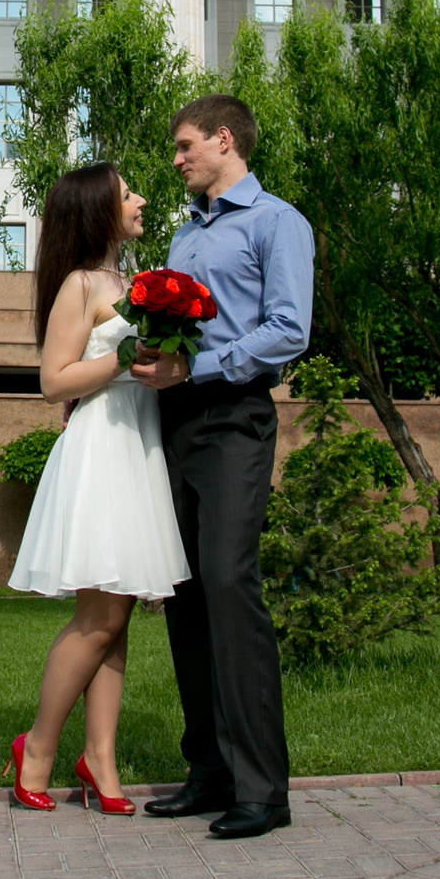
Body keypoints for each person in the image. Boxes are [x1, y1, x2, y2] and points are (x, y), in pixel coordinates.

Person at [128, 94, 314, 840]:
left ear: (224, 140)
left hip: (235, 418)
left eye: (184, 146)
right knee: (186, 594)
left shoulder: (278, 222)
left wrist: (199, 373)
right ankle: (208, 772)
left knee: (231, 587)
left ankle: (263, 790)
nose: (176, 160)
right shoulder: (183, 235)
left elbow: (288, 330)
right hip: (175, 424)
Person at [4, 162, 191, 815]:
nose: (141, 200)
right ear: (97, 211)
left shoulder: (138, 281)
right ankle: (38, 750)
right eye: (127, 194)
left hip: (138, 449)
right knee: (99, 617)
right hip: (100, 453)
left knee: (118, 617)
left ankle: (101, 761)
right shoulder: (81, 285)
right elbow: (53, 382)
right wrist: (127, 352)